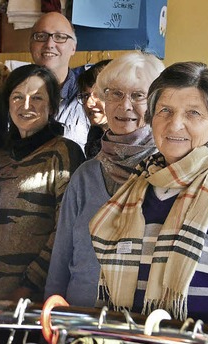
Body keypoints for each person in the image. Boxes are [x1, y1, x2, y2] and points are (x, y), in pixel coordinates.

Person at [89, 61, 208, 336]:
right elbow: (108, 293)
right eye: (164, 111)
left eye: (193, 113)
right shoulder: (137, 187)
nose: (175, 124)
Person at [45, 51, 164, 306]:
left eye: (137, 95)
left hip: (139, 329)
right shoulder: (85, 176)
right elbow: (61, 259)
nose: (125, 106)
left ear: (155, 103)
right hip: (79, 325)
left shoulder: (167, 173)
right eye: (115, 94)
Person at [0, 64, 84, 302]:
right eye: (17, 97)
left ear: (52, 106)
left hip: (35, 300)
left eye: (37, 98)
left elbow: (64, 230)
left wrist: (29, 286)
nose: (26, 105)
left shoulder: (63, 152)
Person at [29, 11, 89, 150]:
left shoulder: (90, 98)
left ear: (73, 48)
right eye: (41, 36)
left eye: (60, 37)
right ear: (30, 45)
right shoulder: (11, 95)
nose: (49, 44)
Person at [77, 59, 112, 160]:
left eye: (98, 95)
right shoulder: (95, 134)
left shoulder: (137, 143)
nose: (89, 103)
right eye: (85, 95)